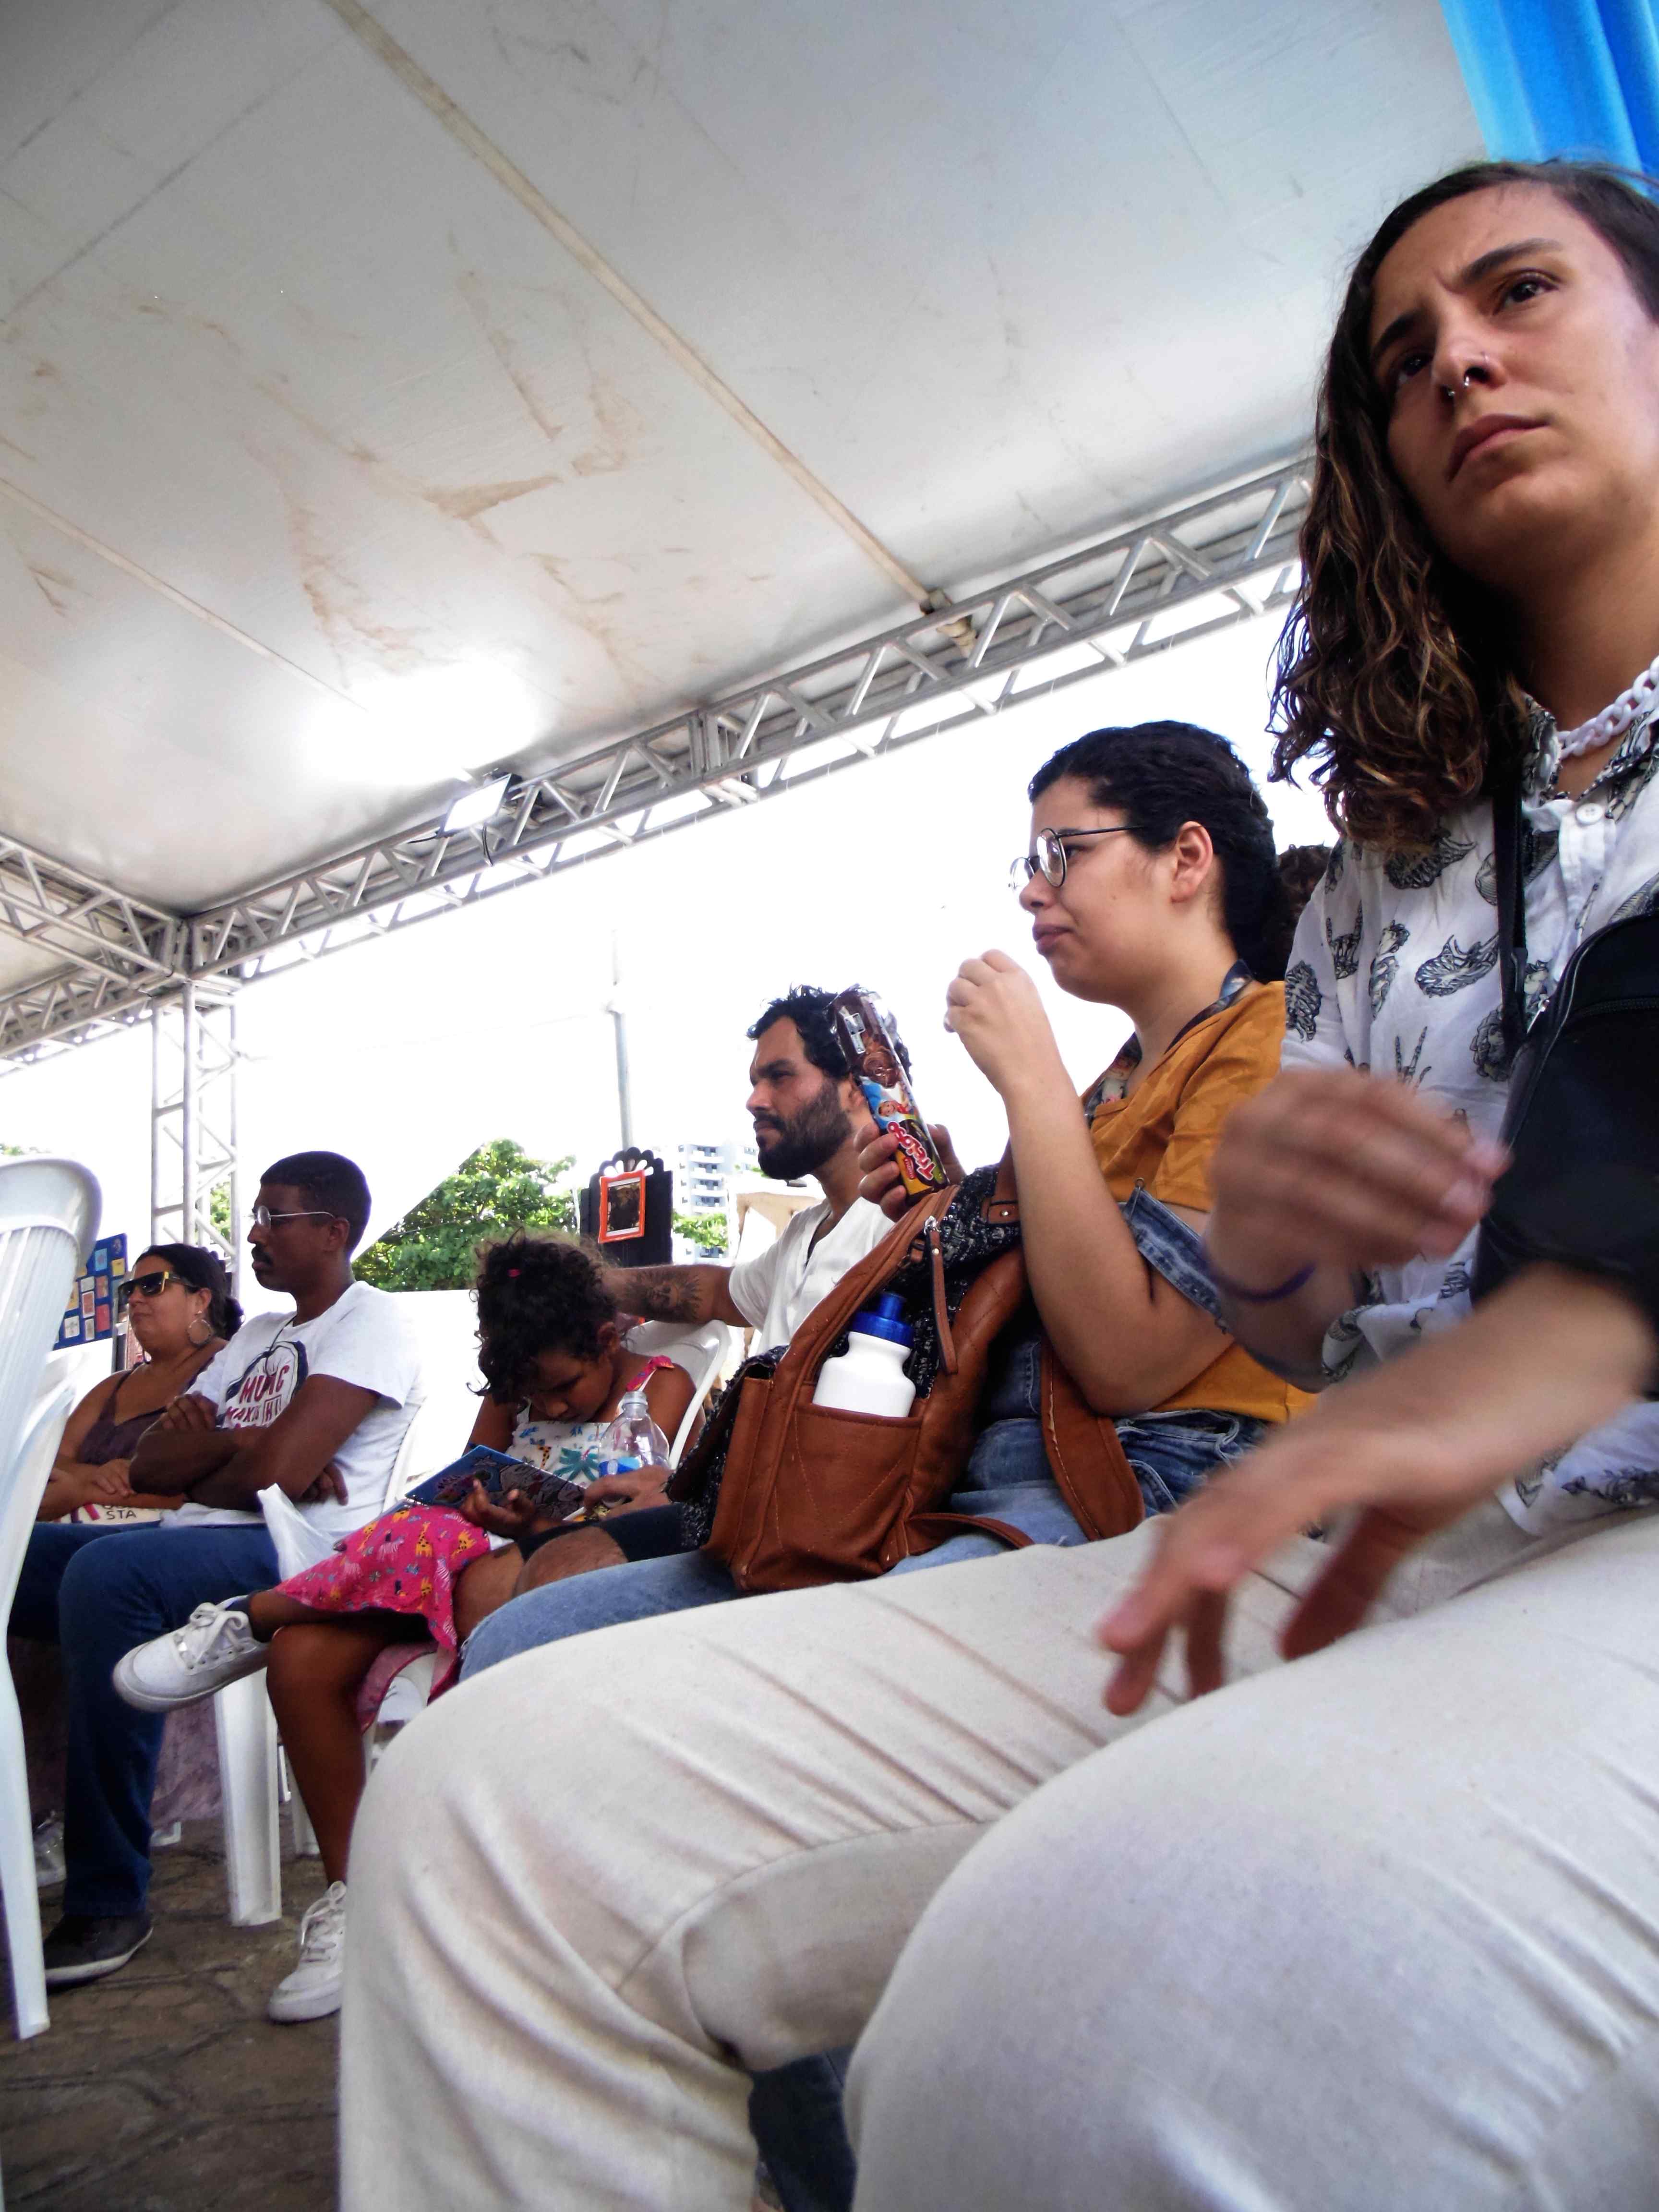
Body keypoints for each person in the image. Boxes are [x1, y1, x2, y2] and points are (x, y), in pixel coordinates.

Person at [837, 157, 1659, 2210]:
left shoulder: (1180, 1035)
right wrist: (1286, 1225)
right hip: (1373, 1523)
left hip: (1583, 1526)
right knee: (506, 1797)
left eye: (1518, 293)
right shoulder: (1390, 853)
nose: (1454, 361)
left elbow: (1135, 1365)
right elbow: (1283, 1322)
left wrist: (1563, 1314)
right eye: (1399, 358)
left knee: (1060, 2019)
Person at [336, 722, 1322, 2211]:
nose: (1034, 891)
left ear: (1189, 861)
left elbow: (1130, 1361)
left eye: (1064, 853)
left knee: (653, 1803)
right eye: (1030, 860)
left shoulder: (1268, 1043)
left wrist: (1024, 1090)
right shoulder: (1120, 1081)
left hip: (1137, 1490)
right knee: (524, 1646)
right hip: (947, 1491)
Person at [113, 1232, 693, 2023]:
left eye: (563, 1387)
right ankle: (357, 1901)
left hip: (550, 1576)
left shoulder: (660, 1385)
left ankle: (263, 1610)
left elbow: (639, 1512)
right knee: (306, 1655)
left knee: (418, 1543)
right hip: (444, 1573)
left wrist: (533, 1526)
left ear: (604, 1339)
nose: (551, 1408)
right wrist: (490, 1505)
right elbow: (466, 1484)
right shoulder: (516, 1392)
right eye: (532, 1393)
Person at [11, 1149, 423, 1988]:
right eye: (255, 1218)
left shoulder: (370, 1322)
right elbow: (153, 1462)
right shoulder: (261, 1336)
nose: (255, 1235)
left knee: (105, 1579)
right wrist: (250, 1444)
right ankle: (33, 1814)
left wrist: (238, 1456)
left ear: (333, 1231)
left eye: (274, 1218)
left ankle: (109, 1895)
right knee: (13, 1557)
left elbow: (280, 1479)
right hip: (200, 1531)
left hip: (300, 1553)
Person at [451, 985, 894, 1663]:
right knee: (506, 1577)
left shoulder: (903, 1225)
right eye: (754, 1080)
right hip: (739, 1504)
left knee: (554, 1581)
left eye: (780, 1076)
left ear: (858, 1086)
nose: (754, 1100)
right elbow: (711, 1292)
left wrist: (694, 1489)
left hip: (810, 1528)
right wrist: (563, 1285)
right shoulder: (805, 1236)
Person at [35, 1246, 240, 1522]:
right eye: (129, 1290)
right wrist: (99, 1474)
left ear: (200, 1300)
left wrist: (89, 1490)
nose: (134, 1299)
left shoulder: (232, 1366)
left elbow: (217, 1484)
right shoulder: (112, 1386)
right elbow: (50, 1464)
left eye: (152, 1285)